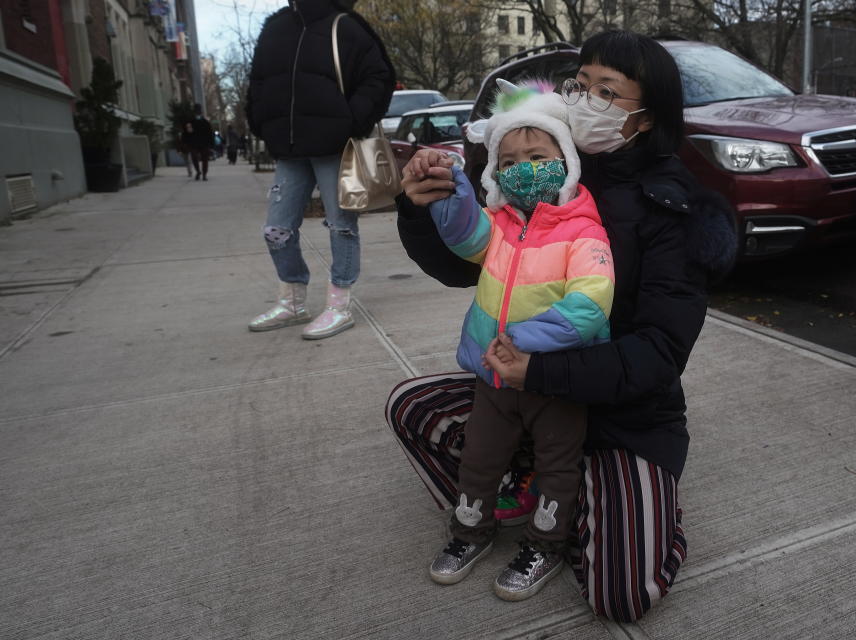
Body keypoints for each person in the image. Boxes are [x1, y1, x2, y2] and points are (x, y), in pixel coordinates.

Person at [386, 31, 737, 621]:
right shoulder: (542, 169)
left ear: (647, 117)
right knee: (413, 407)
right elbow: (466, 260)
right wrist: (422, 205)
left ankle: (610, 502)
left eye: (608, 90)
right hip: (523, 396)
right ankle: (535, 483)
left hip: (624, 416)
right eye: (581, 83)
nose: (584, 98)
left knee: (622, 594)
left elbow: (658, 353)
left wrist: (542, 368)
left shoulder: (672, 206)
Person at [424, 81, 615, 601]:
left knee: (558, 464)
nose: (524, 167)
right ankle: (470, 532)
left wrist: (522, 342)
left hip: (556, 378)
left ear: (566, 159)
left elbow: (590, 306)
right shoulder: (500, 225)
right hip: (494, 375)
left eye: (538, 155)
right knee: (480, 459)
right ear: (495, 172)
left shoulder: (584, 234)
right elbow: (464, 236)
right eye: (508, 160)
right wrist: (454, 187)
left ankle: (545, 544)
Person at [245, 0, 395, 338]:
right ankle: (293, 300)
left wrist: (350, 121)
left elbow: (379, 76)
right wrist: (261, 122)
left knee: (341, 225)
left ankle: (339, 304)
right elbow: (257, 80)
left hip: (334, 146)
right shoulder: (276, 28)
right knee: (276, 228)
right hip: (289, 147)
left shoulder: (345, 25)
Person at [185, 104, 214, 181]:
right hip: (194, 143)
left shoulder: (205, 122)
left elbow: (210, 133)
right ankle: (198, 171)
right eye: (196, 111)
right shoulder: (190, 122)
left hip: (204, 143)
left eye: (199, 111)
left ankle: (204, 174)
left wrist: (211, 144)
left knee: (205, 159)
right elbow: (187, 133)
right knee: (194, 157)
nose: (198, 113)